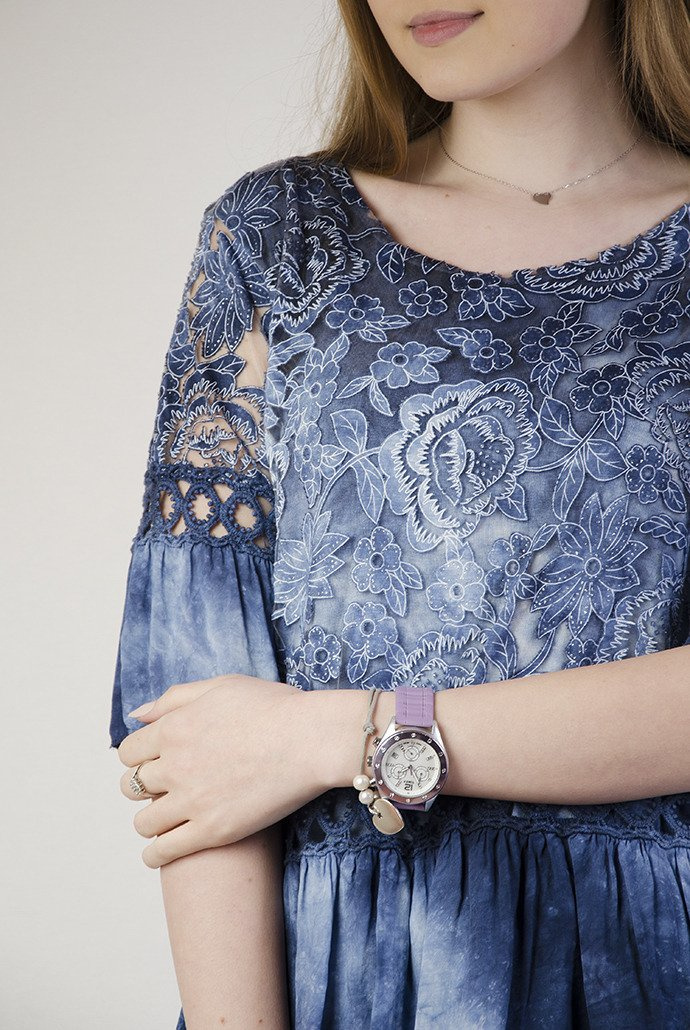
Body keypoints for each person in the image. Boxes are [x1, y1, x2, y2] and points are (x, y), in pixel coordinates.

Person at [109, 0, 690, 1026]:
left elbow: (261, 743)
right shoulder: (279, 238)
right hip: (348, 982)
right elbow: (194, 741)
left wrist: (342, 736)